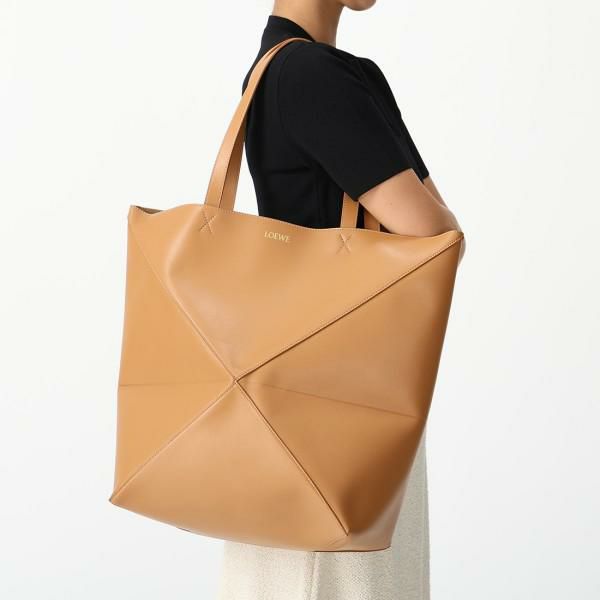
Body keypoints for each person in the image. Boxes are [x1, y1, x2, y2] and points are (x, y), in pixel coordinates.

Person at [216, 2, 465, 599]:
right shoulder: (313, 75)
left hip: (279, 405)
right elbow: (437, 238)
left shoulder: (282, 70)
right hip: (341, 418)